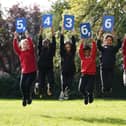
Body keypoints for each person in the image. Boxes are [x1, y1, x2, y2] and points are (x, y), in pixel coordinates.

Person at [13, 31, 37, 107]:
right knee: (22, 86)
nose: (25, 45)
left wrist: (27, 37)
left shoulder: (31, 51)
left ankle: (29, 98)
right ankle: (25, 98)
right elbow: (15, 47)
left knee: (28, 85)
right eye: (23, 44)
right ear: (21, 45)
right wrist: (15, 38)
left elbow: (31, 44)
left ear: (28, 45)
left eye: (26, 44)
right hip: (24, 72)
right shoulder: (20, 53)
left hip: (32, 72)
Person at [97, 29, 122, 94]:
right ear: (104, 41)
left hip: (111, 67)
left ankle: (109, 89)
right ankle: (104, 89)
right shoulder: (102, 48)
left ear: (112, 41)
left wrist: (114, 34)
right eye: (107, 40)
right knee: (104, 83)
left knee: (110, 82)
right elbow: (98, 44)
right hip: (103, 67)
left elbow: (119, 44)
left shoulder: (113, 49)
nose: (109, 41)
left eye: (110, 40)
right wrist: (100, 35)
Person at [37, 26, 56, 98]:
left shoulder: (51, 50)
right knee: (41, 82)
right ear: (42, 44)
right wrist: (41, 31)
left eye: (47, 42)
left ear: (49, 44)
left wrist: (53, 32)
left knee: (51, 80)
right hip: (41, 68)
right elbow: (39, 40)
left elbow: (54, 43)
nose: (46, 43)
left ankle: (49, 89)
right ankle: (40, 90)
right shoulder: (40, 50)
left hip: (49, 68)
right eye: (44, 42)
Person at [59, 27, 76, 100]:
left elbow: (74, 42)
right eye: (66, 47)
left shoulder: (72, 52)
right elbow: (61, 43)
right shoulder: (63, 53)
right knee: (63, 83)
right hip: (64, 70)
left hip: (71, 70)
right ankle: (62, 93)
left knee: (70, 84)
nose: (67, 48)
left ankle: (66, 93)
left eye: (69, 47)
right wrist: (62, 33)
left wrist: (72, 33)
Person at [78, 38, 97, 105]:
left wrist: (93, 42)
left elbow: (94, 50)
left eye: (88, 51)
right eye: (85, 51)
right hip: (84, 74)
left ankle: (90, 95)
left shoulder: (92, 57)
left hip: (91, 75)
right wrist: (82, 42)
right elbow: (80, 51)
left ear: (90, 52)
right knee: (81, 89)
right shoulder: (82, 57)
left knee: (89, 88)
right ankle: (86, 96)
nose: (87, 53)